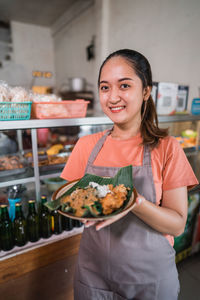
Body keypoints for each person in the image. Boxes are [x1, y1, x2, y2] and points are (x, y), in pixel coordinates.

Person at [61, 49, 198, 300]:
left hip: (148, 281)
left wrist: (134, 201)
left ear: (146, 91)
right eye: (104, 87)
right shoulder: (85, 146)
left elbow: (178, 224)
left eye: (124, 85)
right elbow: (71, 201)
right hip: (93, 275)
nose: (113, 97)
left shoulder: (166, 147)